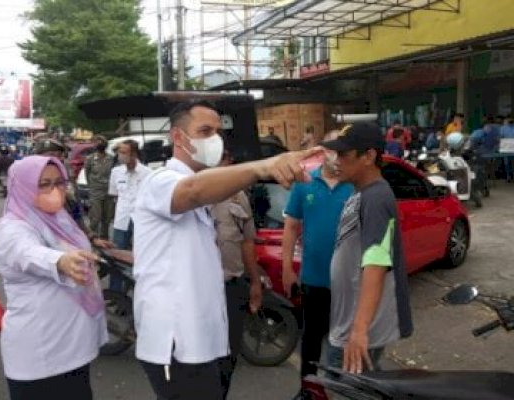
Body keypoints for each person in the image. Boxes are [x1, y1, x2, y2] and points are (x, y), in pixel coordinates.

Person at [132, 99, 320, 400]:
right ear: (178, 137)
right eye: (205, 131)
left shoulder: (205, 189)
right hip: (176, 341)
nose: (215, 140)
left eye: (218, 132)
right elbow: (192, 191)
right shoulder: (161, 181)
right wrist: (263, 166)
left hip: (201, 339)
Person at [0, 156, 108, 400]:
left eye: (59, 182)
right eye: (43, 184)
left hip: (73, 349)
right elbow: (26, 252)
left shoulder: (59, 219)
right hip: (41, 354)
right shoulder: (11, 228)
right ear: (22, 186)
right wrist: (60, 261)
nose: (54, 190)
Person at [321, 121, 413, 374]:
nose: (336, 160)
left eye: (343, 154)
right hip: (347, 321)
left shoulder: (376, 198)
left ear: (369, 156)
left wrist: (359, 330)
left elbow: (377, 261)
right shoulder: (359, 192)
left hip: (359, 329)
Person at [282, 129, 354, 384]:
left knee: (344, 340)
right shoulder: (305, 183)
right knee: (311, 337)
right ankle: (309, 389)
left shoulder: (355, 185)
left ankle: (341, 388)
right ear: (323, 151)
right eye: (332, 149)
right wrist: (286, 267)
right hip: (314, 278)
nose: (337, 156)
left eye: (342, 150)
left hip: (349, 281)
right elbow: (291, 227)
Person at [210, 147, 262, 399]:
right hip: (202, 293)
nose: (221, 164)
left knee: (228, 358)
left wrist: (255, 282)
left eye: (224, 159)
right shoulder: (190, 195)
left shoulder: (238, 196)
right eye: (215, 160)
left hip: (232, 287)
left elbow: (247, 242)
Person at [33, 138, 112, 249]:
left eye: (59, 155)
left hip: (69, 244)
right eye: (51, 155)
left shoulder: (65, 180)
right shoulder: (28, 185)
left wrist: (92, 237)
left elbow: (76, 215)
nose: (57, 159)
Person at [107, 139, 150, 291]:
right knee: (117, 254)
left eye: (124, 152)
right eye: (119, 152)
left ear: (134, 154)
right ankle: (115, 291)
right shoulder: (115, 172)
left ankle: (138, 289)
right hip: (122, 219)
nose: (120, 156)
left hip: (141, 220)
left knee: (141, 255)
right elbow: (114, 195)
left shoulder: (147, 173)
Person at [85, 135, 114, 239]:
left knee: (107, 218)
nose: (100, 144)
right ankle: (92, 238)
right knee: (95, 217)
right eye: (97, 142)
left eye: (102, 142)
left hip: (108, 191)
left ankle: (104, 237)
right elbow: (87, 174)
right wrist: (92, 187)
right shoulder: (90, 159)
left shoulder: (111, 158)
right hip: (95, 191)